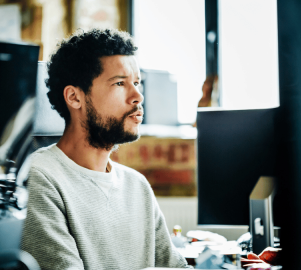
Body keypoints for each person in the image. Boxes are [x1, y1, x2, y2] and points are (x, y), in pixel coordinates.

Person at [21, 28, 192, 270]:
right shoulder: (40, 178)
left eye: (136, 82)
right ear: (74, 97)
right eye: (120, 83)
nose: (137, 96)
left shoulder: (137, 185)